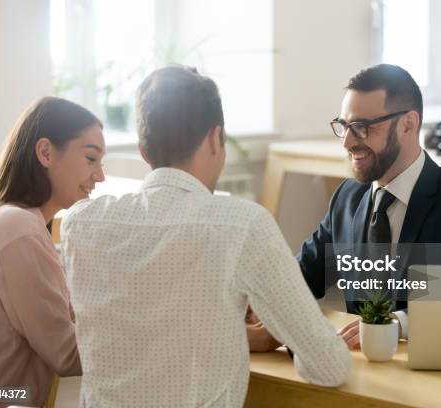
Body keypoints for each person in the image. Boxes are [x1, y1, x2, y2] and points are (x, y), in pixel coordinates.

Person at [60, 65, 351, 407]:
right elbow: (329, 367)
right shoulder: (243, 225)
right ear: (216, 138)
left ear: (143, 150)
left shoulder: (79, 223)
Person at [296, 64, 441, 349]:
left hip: (434, 372)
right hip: (358, 372)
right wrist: (256, 310)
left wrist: (399, 324)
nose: (347, 142)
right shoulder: (347, 197)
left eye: (362, 128)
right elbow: (300, 277)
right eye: (344, 126)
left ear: (408, 123)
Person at [0, 97, 106, 407]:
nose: (100, 176)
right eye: (91, 159)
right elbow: (68, 355)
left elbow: (62, 315)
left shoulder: (8, 220)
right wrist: (153, 330)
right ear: (45, 152)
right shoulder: (18, 231)